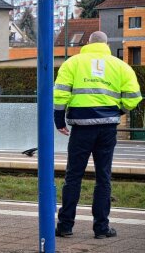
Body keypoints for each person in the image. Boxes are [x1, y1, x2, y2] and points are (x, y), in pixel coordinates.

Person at [54, 31, 142, 239]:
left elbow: (59, 93)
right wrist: (117, 111)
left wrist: (59, 121)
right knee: (104, 177)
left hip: (81, 128)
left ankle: (65, 225)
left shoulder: (73, 63)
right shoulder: (121, 66)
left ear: (88, 43)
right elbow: (133, 97)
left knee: (73, 176)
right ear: (106, 45)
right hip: (107, 129)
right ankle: (101, 228)